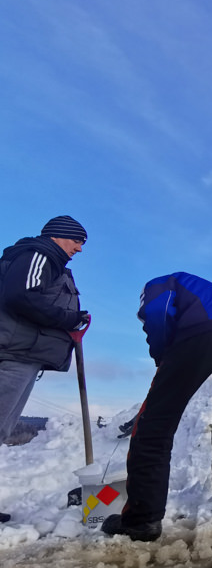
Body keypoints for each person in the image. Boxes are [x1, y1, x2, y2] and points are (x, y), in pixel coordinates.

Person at [102, 272, 212, 542]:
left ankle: (142, 520)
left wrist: (161, 355)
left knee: (154, 424)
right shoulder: (200, 288)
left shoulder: (157, 284)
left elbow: (157, 311)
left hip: (208, 329)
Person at [0, 216, 89, 524]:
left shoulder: (50, 263)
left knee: (3, 428)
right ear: (60, 236)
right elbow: (21, 296)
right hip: (13, 353)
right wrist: (68, 320)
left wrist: (74, 317)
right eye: (78, 240)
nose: (79, 248)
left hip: (23, 355)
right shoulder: (39, 254)